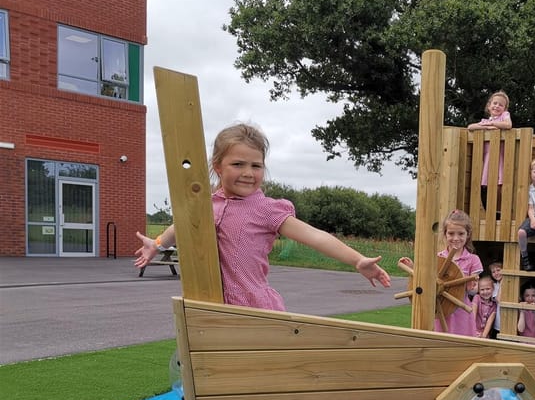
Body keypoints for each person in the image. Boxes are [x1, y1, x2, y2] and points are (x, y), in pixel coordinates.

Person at [134, 123, 391, 311]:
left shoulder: (267, 209)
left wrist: (357, 260)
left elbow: (315, 236)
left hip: (254, 307)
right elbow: (180, 227)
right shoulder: (205, 205)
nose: (248, 173)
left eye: (256, 166)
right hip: (210, 304)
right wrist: (156, 245)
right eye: (238, 164)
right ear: (218, 166)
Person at [400, 209, 483, 336]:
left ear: (468, 234)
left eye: (461, 233)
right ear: (445, 234)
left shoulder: (473, 260)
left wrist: (471, 286)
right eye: (451, 233)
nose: (456, 238)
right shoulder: (437, 259)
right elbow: (426, 281)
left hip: (461, 312)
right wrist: (412, 268)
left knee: (461, 344)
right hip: (440, 311)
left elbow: (473, 291)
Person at [467, 90, 512, 211]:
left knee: (499, 181)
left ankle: (498, 209)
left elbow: (508, 125)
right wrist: (487, 126)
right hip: (487, 157)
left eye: (500, 105)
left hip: (500, 156)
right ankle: (489, 209)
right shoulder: (485, 121)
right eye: (495, 103)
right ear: (489, 106)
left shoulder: (504, 116)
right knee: (485, 182)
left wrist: (493, 124)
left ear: (504, 108)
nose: (497, 106)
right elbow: (470, 127)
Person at [471, 274, 498, 338]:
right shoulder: (477, 298)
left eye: (488, 289)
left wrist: (483, 336)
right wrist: (473, 331)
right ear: (478, 290)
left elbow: (489, 322)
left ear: (493, 289)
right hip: (472, 329)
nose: (485, 292)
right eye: (482, 290)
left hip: (484, 333)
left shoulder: (494, 304)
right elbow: (473, 315)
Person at [488, 260, 503, 339]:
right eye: (493, 272)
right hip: (498, 323)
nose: (496, 273)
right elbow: (498, 299)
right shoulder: (494, 286)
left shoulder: (512, 284)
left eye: (498, 270)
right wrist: (502, 283)